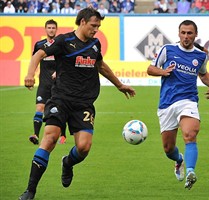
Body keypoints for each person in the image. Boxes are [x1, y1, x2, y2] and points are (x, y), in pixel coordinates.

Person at [19, 8, 135, 200]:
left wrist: (119, 85)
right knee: (50, 138)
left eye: (98, 26)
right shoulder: (64, 41)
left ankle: (67, 163)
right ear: (82, 22)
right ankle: (30, 190)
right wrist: (30, 74)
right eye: (93, 25)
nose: (96, 29)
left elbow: (101, 66)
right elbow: (39, 54)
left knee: (84, 147)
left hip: (84, 104)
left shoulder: (95, 45)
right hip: (61, 99)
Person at [147, 20, 209, 190]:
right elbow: (150, 69)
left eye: (189, 33)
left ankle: (191, 171)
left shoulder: (200, 56)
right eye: (183, 33)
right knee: (168, 148)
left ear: (195, 35)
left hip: (188, 100)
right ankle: (179, 160)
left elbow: (203, 73)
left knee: (190, 134)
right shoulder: (167, 50)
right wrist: (163, 71)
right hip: (167, 104)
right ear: (179, 34)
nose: (186, 36)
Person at [28, 19, 67, 145]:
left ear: (56, 30)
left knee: (60, 109)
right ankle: (35, 135)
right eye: (49, 28)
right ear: (45, 29)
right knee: (40, 107)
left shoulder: (60, 45)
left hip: (58, 84)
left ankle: (63, 135)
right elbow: (35, 59)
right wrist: (31, 76)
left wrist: (58, 71)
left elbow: (66, 62)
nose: (51, 30)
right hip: (44, 83)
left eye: (53, 28)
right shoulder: (39, 45)